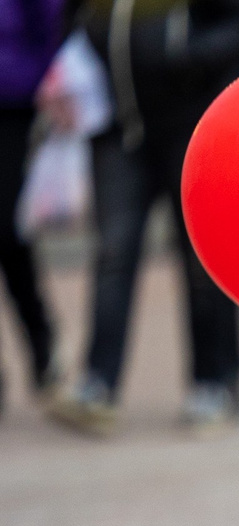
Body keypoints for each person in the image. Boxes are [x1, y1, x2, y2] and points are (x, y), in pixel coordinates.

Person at [48, 0, 239, 436]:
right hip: (119, 129)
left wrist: (188, 55)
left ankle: (213, 381)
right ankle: (98, 385)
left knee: (201, 261)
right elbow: (71, 18)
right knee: (113, 253)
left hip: (194, 128)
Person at [0, 0, 60, 416]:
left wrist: (46, 78)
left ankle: (41, 340)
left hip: (12, 105)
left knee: (7, 232)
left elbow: (51, 23)